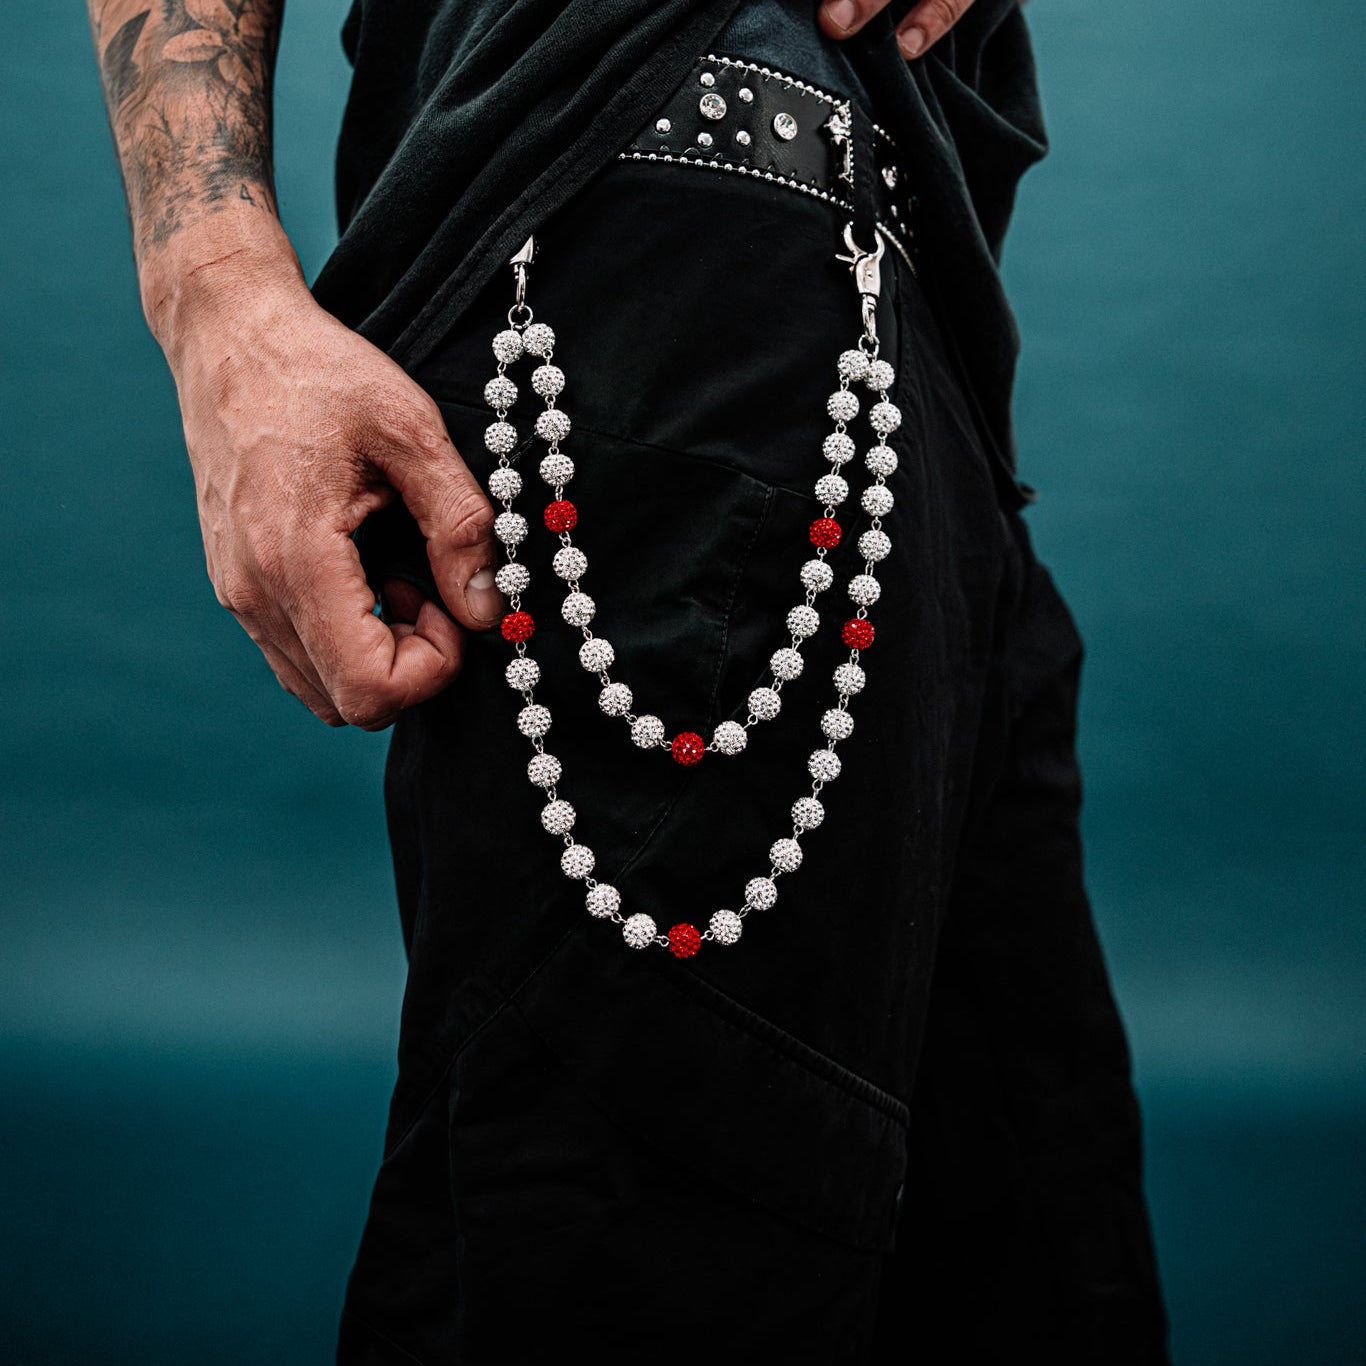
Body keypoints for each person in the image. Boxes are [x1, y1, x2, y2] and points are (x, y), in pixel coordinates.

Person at [86, 0, 1172, 1361]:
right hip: (657, 249)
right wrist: (217, 292)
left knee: (1028, 1245)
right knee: (635, 1247)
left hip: (913, 317)